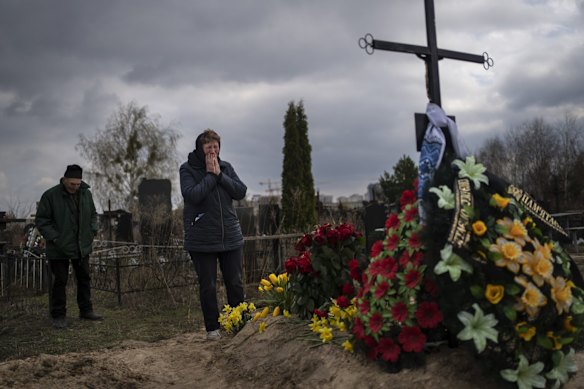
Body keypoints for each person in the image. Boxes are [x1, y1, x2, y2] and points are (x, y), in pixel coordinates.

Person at [180, 129, 247, 340]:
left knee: (235, 282)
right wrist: (210, 175)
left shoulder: (226, 167)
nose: (213, 151)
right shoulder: (187, 169)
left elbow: (240, 191)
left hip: (230, 236)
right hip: (202, 239)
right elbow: (193, 195)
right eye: (209, 147)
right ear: (200, 149)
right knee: (208, 285)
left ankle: (240, 323)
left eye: (216, 147)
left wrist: (220, 175)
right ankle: (213, 328)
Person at [36, 164, 102, 328]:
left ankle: (86, 311)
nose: (75, 187)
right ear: (64, 180)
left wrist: (93, 230)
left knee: (84, 278)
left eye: (78, 184)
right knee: (60, 281)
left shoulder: (86, 194)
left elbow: (93, 214)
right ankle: (58, 316)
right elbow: (42, 221)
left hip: (82, 246)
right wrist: (56, 238)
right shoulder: (50, 196)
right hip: (59, 248)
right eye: (72, 184)